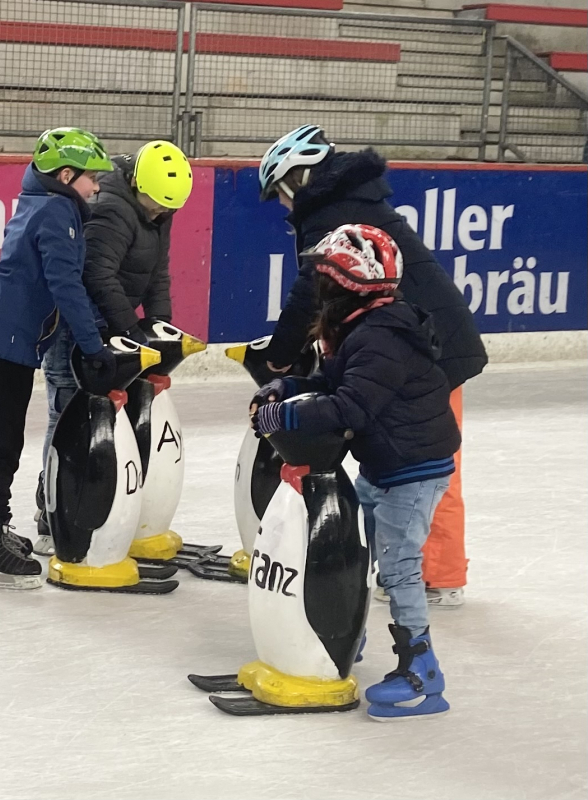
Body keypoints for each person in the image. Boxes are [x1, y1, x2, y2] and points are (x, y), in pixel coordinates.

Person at [258, 124, 487, 606]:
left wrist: (279, 356)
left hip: (429, 348)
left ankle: (437, 576)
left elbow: (310, 293)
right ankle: (430, 569)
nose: (282, 207)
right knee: (424, 456)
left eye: (280, 194)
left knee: (425, 454)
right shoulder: (353, 201)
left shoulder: (333, 216)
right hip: (428, 342)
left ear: (298, 180)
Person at [250, 223, 459, 720]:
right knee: (357, 548)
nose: (318, 286)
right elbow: (330, 383)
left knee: (398, 565)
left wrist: (287, 416)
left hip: (413, 468)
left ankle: (421, 671)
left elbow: (349, 409)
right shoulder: (362, 327)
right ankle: (349, 627)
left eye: (326, 277)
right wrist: (286, 387)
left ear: (349, 286)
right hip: (387, 460)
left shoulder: (381, 336)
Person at [0, 127, 116, 589]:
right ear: (66, 175)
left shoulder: (43, 202)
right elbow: (66, 285)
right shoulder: (57, 210)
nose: (97, 187)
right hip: (0, 346)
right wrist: (94, 348)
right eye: (91, 178)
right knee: (1, 444)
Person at [34, 140, 193, 550]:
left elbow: (157, 275)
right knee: (70, 410)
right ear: (137, 183)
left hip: (111, 323)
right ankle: (51, 508)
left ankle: (96, 499)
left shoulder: (159, 206)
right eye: (155, 204)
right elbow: (97, 276)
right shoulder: (113, 207)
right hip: (78, 325)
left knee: (105, 414)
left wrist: (161, 330)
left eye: (167, 208)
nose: (160, 213)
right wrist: (136, 335)